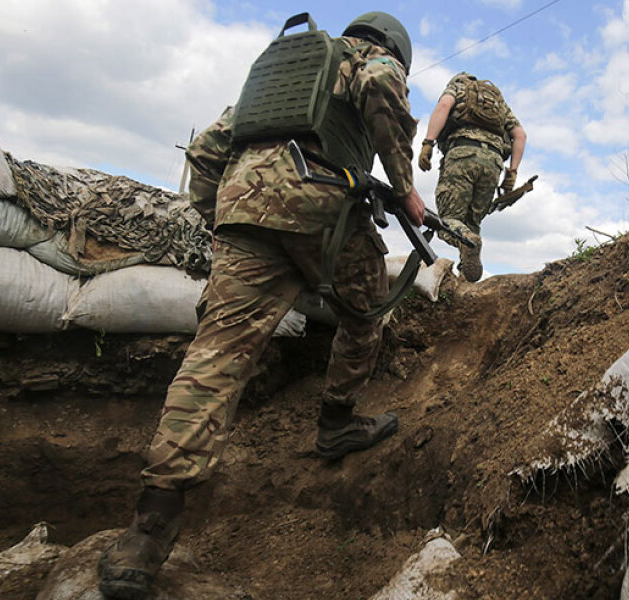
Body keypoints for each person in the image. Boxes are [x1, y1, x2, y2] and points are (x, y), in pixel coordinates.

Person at [97, 11, 424, 600]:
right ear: (396, 50)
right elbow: (380, 88)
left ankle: (147, 531)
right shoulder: (369, 60)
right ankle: (336, 423)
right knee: (368, 309)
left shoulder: (278, 75)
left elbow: (203, 152)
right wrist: (404, 187)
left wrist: (223, 223)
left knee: (215, 359)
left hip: (241, 211)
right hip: (322, 205)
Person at [418, 72, 526, 282]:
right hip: (494, 163)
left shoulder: (457, 86)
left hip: (462, 153)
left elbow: (443, 107)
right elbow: (520, 135)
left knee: (448, 221)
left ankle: (467, 241)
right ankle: (465, 280)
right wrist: (512, 173)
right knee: (472, 224)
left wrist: (428, 143)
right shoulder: (498, 103)